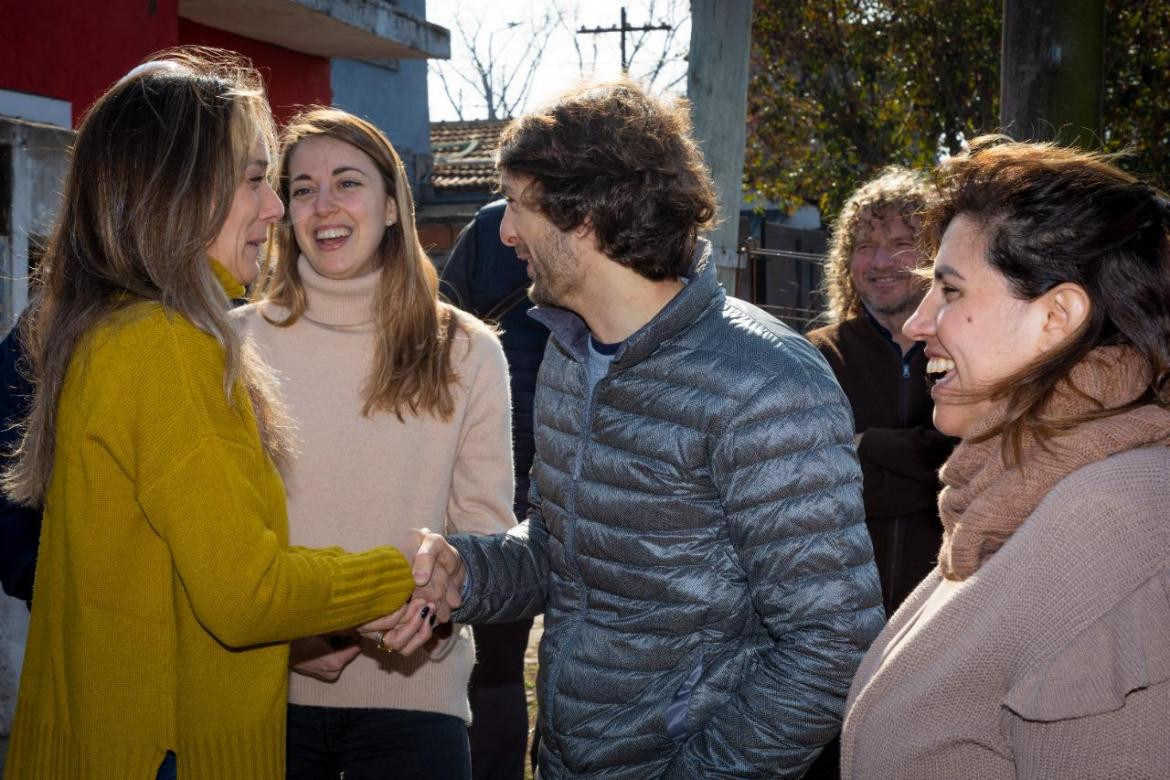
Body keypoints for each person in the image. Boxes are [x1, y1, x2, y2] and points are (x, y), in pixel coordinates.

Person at [407, 80, 885, 778]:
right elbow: (561, 553)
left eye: (517, 202)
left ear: (588, 214)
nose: (503, 231)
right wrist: (466, 570)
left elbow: (832, 647)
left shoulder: (765, 383)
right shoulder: (570, 351)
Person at [2, 50, 430, 779]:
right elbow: (246, 593)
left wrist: (299, 634)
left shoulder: (106, 329)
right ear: (180, 188)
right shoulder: (165, 346)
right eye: (256, 179)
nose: (275, 210)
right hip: (165, 752)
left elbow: (165, 577)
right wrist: (402, 578)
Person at [840, 137, 1170, 778]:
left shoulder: (1110, 522)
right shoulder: (1015, 491)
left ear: (1058, 317)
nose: (918, 323)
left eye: (951, 291)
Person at [236, 107, 515, 779]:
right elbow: (223, 535)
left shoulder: (468, 349)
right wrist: (291, 639)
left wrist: (436, 606)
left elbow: (483, 533)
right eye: (302, 188)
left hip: (417, 705)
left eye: (347, 182)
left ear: (393, 205)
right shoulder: (230, 344)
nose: (323, 205)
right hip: (261, 698)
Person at [807, 167, 955, 617]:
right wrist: (929, 468)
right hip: (838, 608)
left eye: (899, 243)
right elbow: (815, 483)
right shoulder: (816, 356)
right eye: (865, 246)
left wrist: (868, 444)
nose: (881, 262)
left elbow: (977, 459)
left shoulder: (966, 352)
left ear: (933, 254)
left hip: (941, 604)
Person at [440, 200, 549, 780]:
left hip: (497, 472)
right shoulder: (497, 227)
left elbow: (439, 323)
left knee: (495, 668)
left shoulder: (488, 227)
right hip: (558, 472)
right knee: (517, 671)